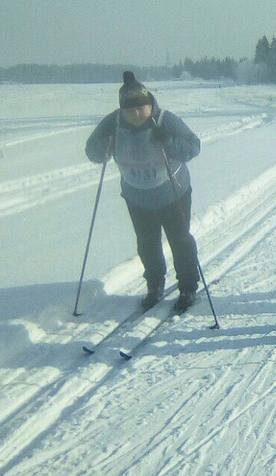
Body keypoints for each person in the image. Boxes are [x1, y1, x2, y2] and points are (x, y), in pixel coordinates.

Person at [85, 71, 201, 313]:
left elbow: (192, 147)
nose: (136, 114)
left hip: (173, 194)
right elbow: (92, 152)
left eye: (141, 108)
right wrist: (102, 146)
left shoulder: (165, 120)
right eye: (130, 110)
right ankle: (154, 285)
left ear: (150, 104)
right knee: (147, 244)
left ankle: (188, 287)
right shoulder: (113, 122)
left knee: (180, 241)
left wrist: (167, 140)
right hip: (137, 197)